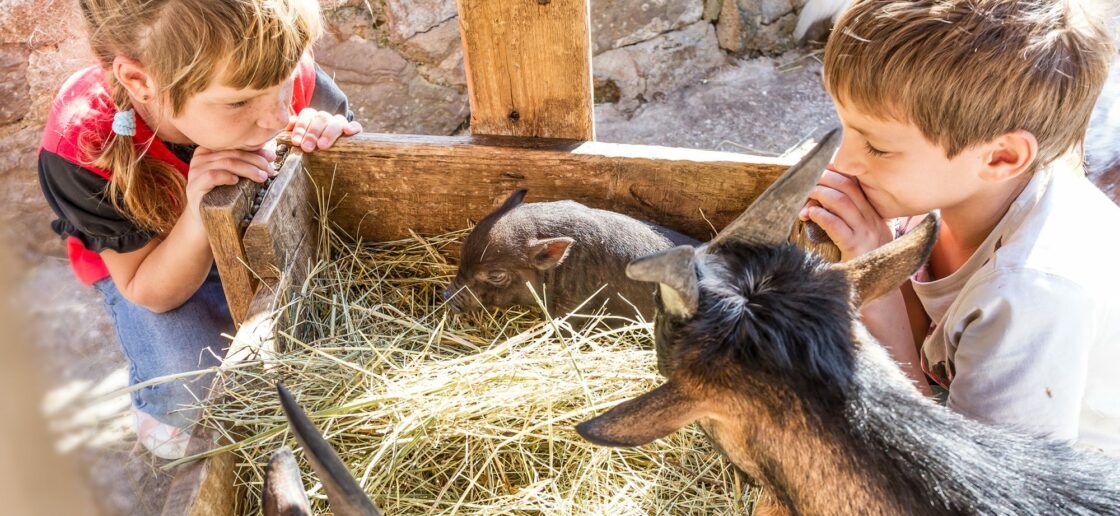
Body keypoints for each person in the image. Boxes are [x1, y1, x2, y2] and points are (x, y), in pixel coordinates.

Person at [38, 0, 361, 459]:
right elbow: (150, 291)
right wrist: (197, 213)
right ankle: (158, 409)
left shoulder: (268, 66)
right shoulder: (84, 142)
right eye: (239, 102)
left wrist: (321, 134)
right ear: (139, 82)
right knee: (188, 389)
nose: (276, 116)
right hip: (149, 262)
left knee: (314, 324)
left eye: (284, 85)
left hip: (245, 227)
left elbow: (344, 147)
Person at [801, 0, 1119, 456]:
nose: (843, 162)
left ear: (1000, 157)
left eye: (876, 146)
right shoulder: (958, 194)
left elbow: (967, 473)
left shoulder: (1030, 296)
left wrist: (882, 284)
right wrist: (883, 258)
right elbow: (922, 332)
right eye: (846, 129)